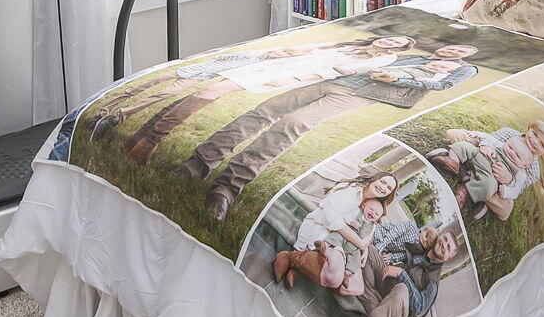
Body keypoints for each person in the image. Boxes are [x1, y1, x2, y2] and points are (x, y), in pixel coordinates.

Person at [182, 44, 484, 222]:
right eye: (452, 47)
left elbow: (440, 85)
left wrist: (395, 78)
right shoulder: (415, 56)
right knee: (264, 110)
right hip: (335, 79)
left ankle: (227, 187)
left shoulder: (463, 69)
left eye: (461, 50)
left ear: (467, 55)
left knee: (293, 123)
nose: (452, 51)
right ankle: (198, 164)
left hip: (359, 94)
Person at [90, 35, 415, 164]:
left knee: (208, 93)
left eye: (396, 44)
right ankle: (139, 137)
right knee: (200, 89)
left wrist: (293, 78)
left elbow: (336, 70)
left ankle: (148, 141)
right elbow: (313, 49)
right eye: (390, 39)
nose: (389, 43)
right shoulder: (349, 43)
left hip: (289, 75)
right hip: (279, 62)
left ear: (397, 51)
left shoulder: (380, 60)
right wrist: (281, 52)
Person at [334, 222, 458, 317]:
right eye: (445, 239)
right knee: (370, 251)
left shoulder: (433, 281)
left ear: (448, 258)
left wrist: (401, 274)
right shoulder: (422, 249)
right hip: (390, 287)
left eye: (449, 247)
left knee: (403, 289)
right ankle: (379, 314)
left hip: (402, 311)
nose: (444, 244)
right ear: (440, 235)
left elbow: (419, 308)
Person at [275, 173, 396, 296]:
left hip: (346, 241)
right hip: (324, 228)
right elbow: (332, 218)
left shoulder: (376, 206)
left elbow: (370, 229)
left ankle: (306, 269)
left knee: (354, 287)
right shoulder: (351, 189)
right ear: (374, 179)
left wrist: (364, 246)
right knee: (334, 273)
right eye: (382, 182)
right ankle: (293, 258)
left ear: (389, 194)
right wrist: (359, 242)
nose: (383, 188)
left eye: (389, 188)